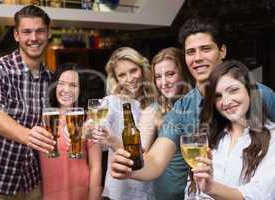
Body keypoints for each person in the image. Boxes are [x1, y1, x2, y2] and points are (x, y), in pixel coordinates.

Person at [110, 17, 275, 200]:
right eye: (190, 52)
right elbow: (156, 161)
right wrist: (132, 168)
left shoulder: (261, 95)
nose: (197, 58)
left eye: (205, 49)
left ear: (222, 51)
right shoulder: (181, 109)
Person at [0, 5, 55, 200]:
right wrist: (28, 135)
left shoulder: (51, 78)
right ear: (17, 35)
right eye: (27, 32)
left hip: (32, 182)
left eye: (39, 31)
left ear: (48, 33)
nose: (33, 38)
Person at [191, 60, 275, 199]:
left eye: (233, 90)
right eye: (218, 96)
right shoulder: (207, 136)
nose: (226, 102)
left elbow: (259, 194)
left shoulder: (272, 138)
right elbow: (192, 192)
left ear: (250, 90)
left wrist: (211, 187)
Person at [93, 47, 155, 200]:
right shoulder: (112, 102)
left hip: (150, 188)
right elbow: (95, 127)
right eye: (122, 75)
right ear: (116, 79)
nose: (129, 78)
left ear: (143, 69)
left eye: (133, 71)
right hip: (120, 190)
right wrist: (89, 129)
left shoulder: (155, 102)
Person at [39, 64, 103, 200]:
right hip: (48, 194)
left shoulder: (89, 120)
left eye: (73, 85)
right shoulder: (44, 117)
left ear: (81, 89)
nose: (66, 90)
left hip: (80, 194)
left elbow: (96, 167)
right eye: (61, 84)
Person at [139, 47, 191, 199]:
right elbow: (139, 153)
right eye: (158, 76)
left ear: (183, 73)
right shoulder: (153, 111)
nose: (164, 82)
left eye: (170, 74)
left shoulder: (196, 105)